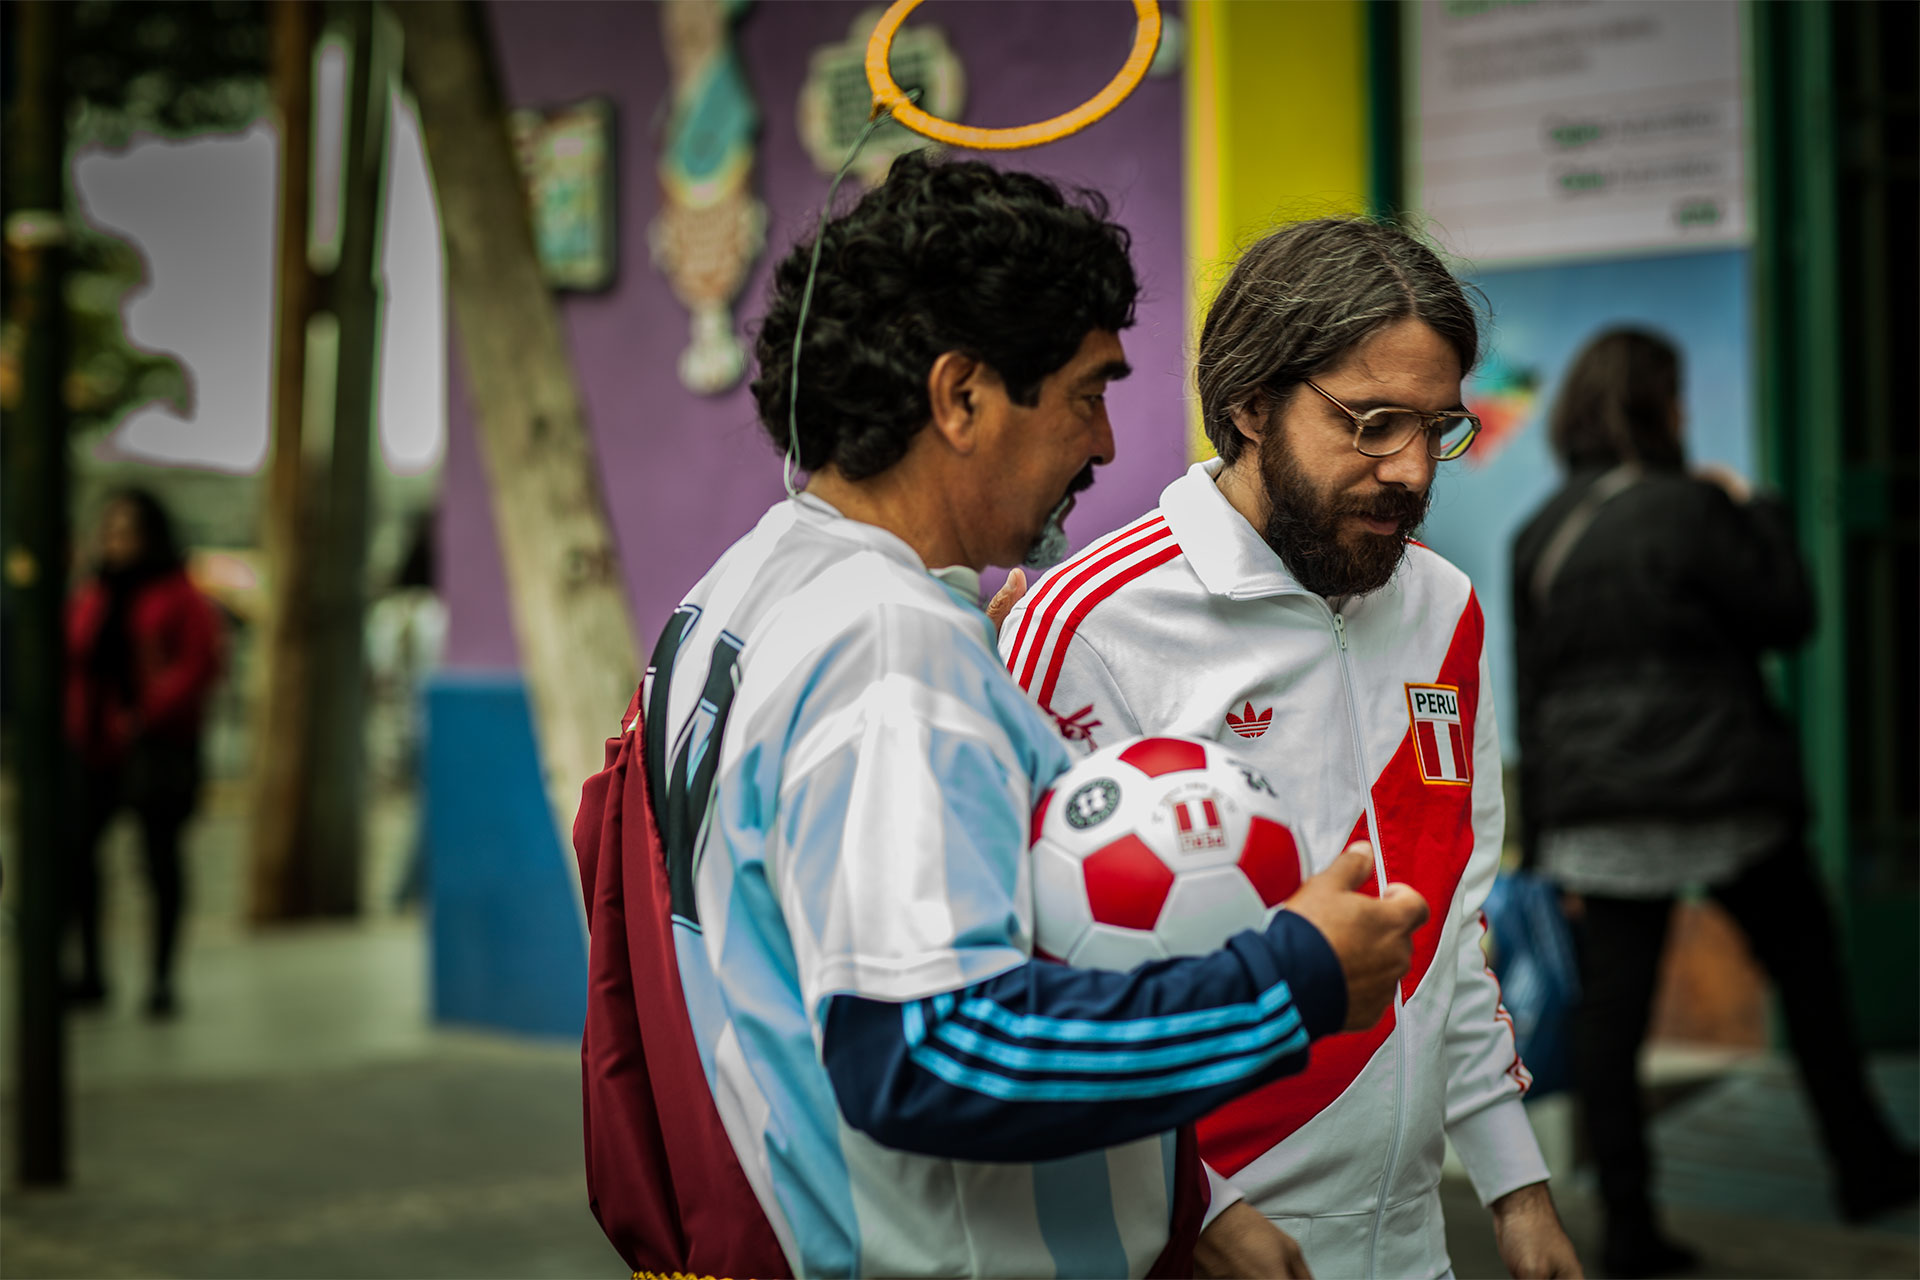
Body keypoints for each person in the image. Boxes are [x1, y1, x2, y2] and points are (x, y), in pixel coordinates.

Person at [572, 155, 1431, 1279]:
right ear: (962, 395)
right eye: (1087, 391)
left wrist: (1199, 1198)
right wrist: (1293, 977)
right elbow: (930, 1049)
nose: (1108, 444)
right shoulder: (890, 650)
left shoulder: (743, 589)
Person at [1001, 218, 1581, 1280]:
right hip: (1189, 1244)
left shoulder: (1444, 608)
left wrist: (1515, 1184)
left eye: (1438, 428)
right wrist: (1203, 1206)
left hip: (1407, 1239)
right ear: (1249, 404)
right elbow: (1031, 983)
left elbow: (1451, 924)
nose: (1410, 470)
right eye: (1370, 422)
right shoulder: (1088, 623)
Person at [1510, 327, 1918, 1277]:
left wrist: (1549, 834)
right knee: (1809, 978)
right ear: (1659, 407)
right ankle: (1863, 1164)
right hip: (1723, 797)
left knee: (1611, 1026)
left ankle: (1630, 1226)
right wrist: (1759, 507)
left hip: (1602, 817)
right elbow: (1789, 615)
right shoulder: (1695, 508)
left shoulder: (1539, 532)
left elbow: (1533, 695)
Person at [64, 487, 222, 1017]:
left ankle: (161, 979)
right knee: (78, 855)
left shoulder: (178, 596)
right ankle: (89, 970)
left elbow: (199, 664)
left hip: (156, 745)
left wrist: (147, 713)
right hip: (94, 743)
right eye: (109, 531)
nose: (116, 541)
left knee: (158, 863)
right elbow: (74, 658)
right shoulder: (95, 594)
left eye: (127, 531)